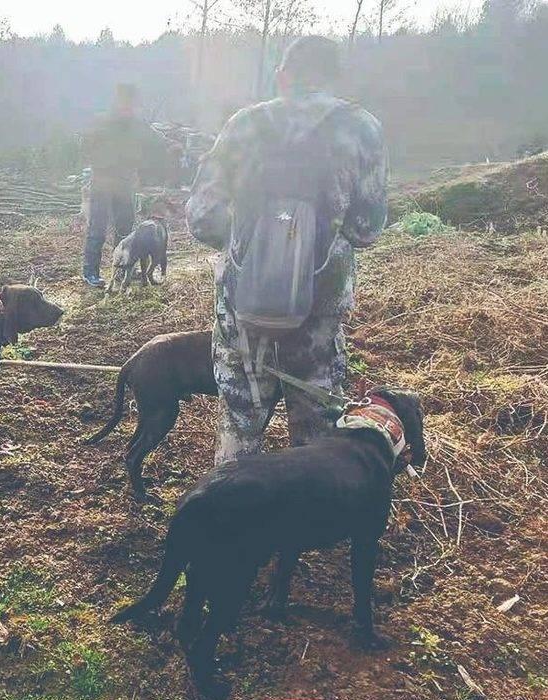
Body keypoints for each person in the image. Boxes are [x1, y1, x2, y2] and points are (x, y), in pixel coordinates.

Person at [185, 36, 388, 465]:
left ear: (282, 76)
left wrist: (254, 251)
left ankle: (231, 502)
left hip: (242, 310)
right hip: (318, 311)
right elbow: (366, 229)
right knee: (318, 439)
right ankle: (310, 507)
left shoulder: (243, 125)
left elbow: (201, 216)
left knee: (239, 428)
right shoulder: (361, 128)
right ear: (335, 79)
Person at [81, 83, 160, 288]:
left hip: (124, 184)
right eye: (126, 101)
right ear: (117, 100)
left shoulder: (137, 124)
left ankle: (121, 269)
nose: (129, 106)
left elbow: (154, 141)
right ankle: (90, 272)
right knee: (97, 229)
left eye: (132, 102)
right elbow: (87, 146)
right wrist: (103, 163)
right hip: (102, 183)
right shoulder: (101, 121)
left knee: (125, 229)